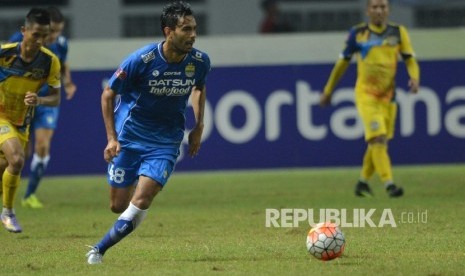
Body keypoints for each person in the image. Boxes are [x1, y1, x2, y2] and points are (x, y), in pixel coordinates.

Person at [86, 1, 210, 264]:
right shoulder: (141, 60)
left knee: (144, 196)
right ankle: (130, 203)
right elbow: (108, 93)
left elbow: (199, 88)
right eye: (186, 29)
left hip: (166, 142)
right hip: (129, 139)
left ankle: (98, 249)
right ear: (168, 31)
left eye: (194, 29)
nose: (193, 35)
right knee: (117, 205)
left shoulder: (199, 61)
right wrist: (111, 137)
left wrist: (198, 126)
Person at [319, 0, 420, 198]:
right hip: (366, 95)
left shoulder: (398, 32)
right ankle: (389, 184)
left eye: (383, 6)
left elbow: (409, 59)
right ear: (368, 10)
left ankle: (362, 182)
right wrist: (328, 90)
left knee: (378, 143)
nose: (379, 10)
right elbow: (342, 64)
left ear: (388, 10)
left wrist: (415, 78)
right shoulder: (357, 33)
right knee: (378, 138)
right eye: (375, 6)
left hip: (389, 97)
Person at [9, 6, 77, 209]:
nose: (55, 36)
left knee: (42, 145)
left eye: (58, 31)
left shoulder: (61, 44)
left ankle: (29, 195)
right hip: (21, 100)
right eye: (52, 31)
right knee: (21, 152)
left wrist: (68, 83)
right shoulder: (18, 40)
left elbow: (63, 64)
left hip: (46, 101)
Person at [0, 8, 61, 233]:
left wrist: (39, 100)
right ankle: (8, 213)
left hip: (21, 123)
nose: (40, 40)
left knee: (8, 166)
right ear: (23, 31)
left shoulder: (49, 62)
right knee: (16, 160)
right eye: (36, 34)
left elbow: (55, 98)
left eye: (44, 36)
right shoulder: (4, 53)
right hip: (0, 116)